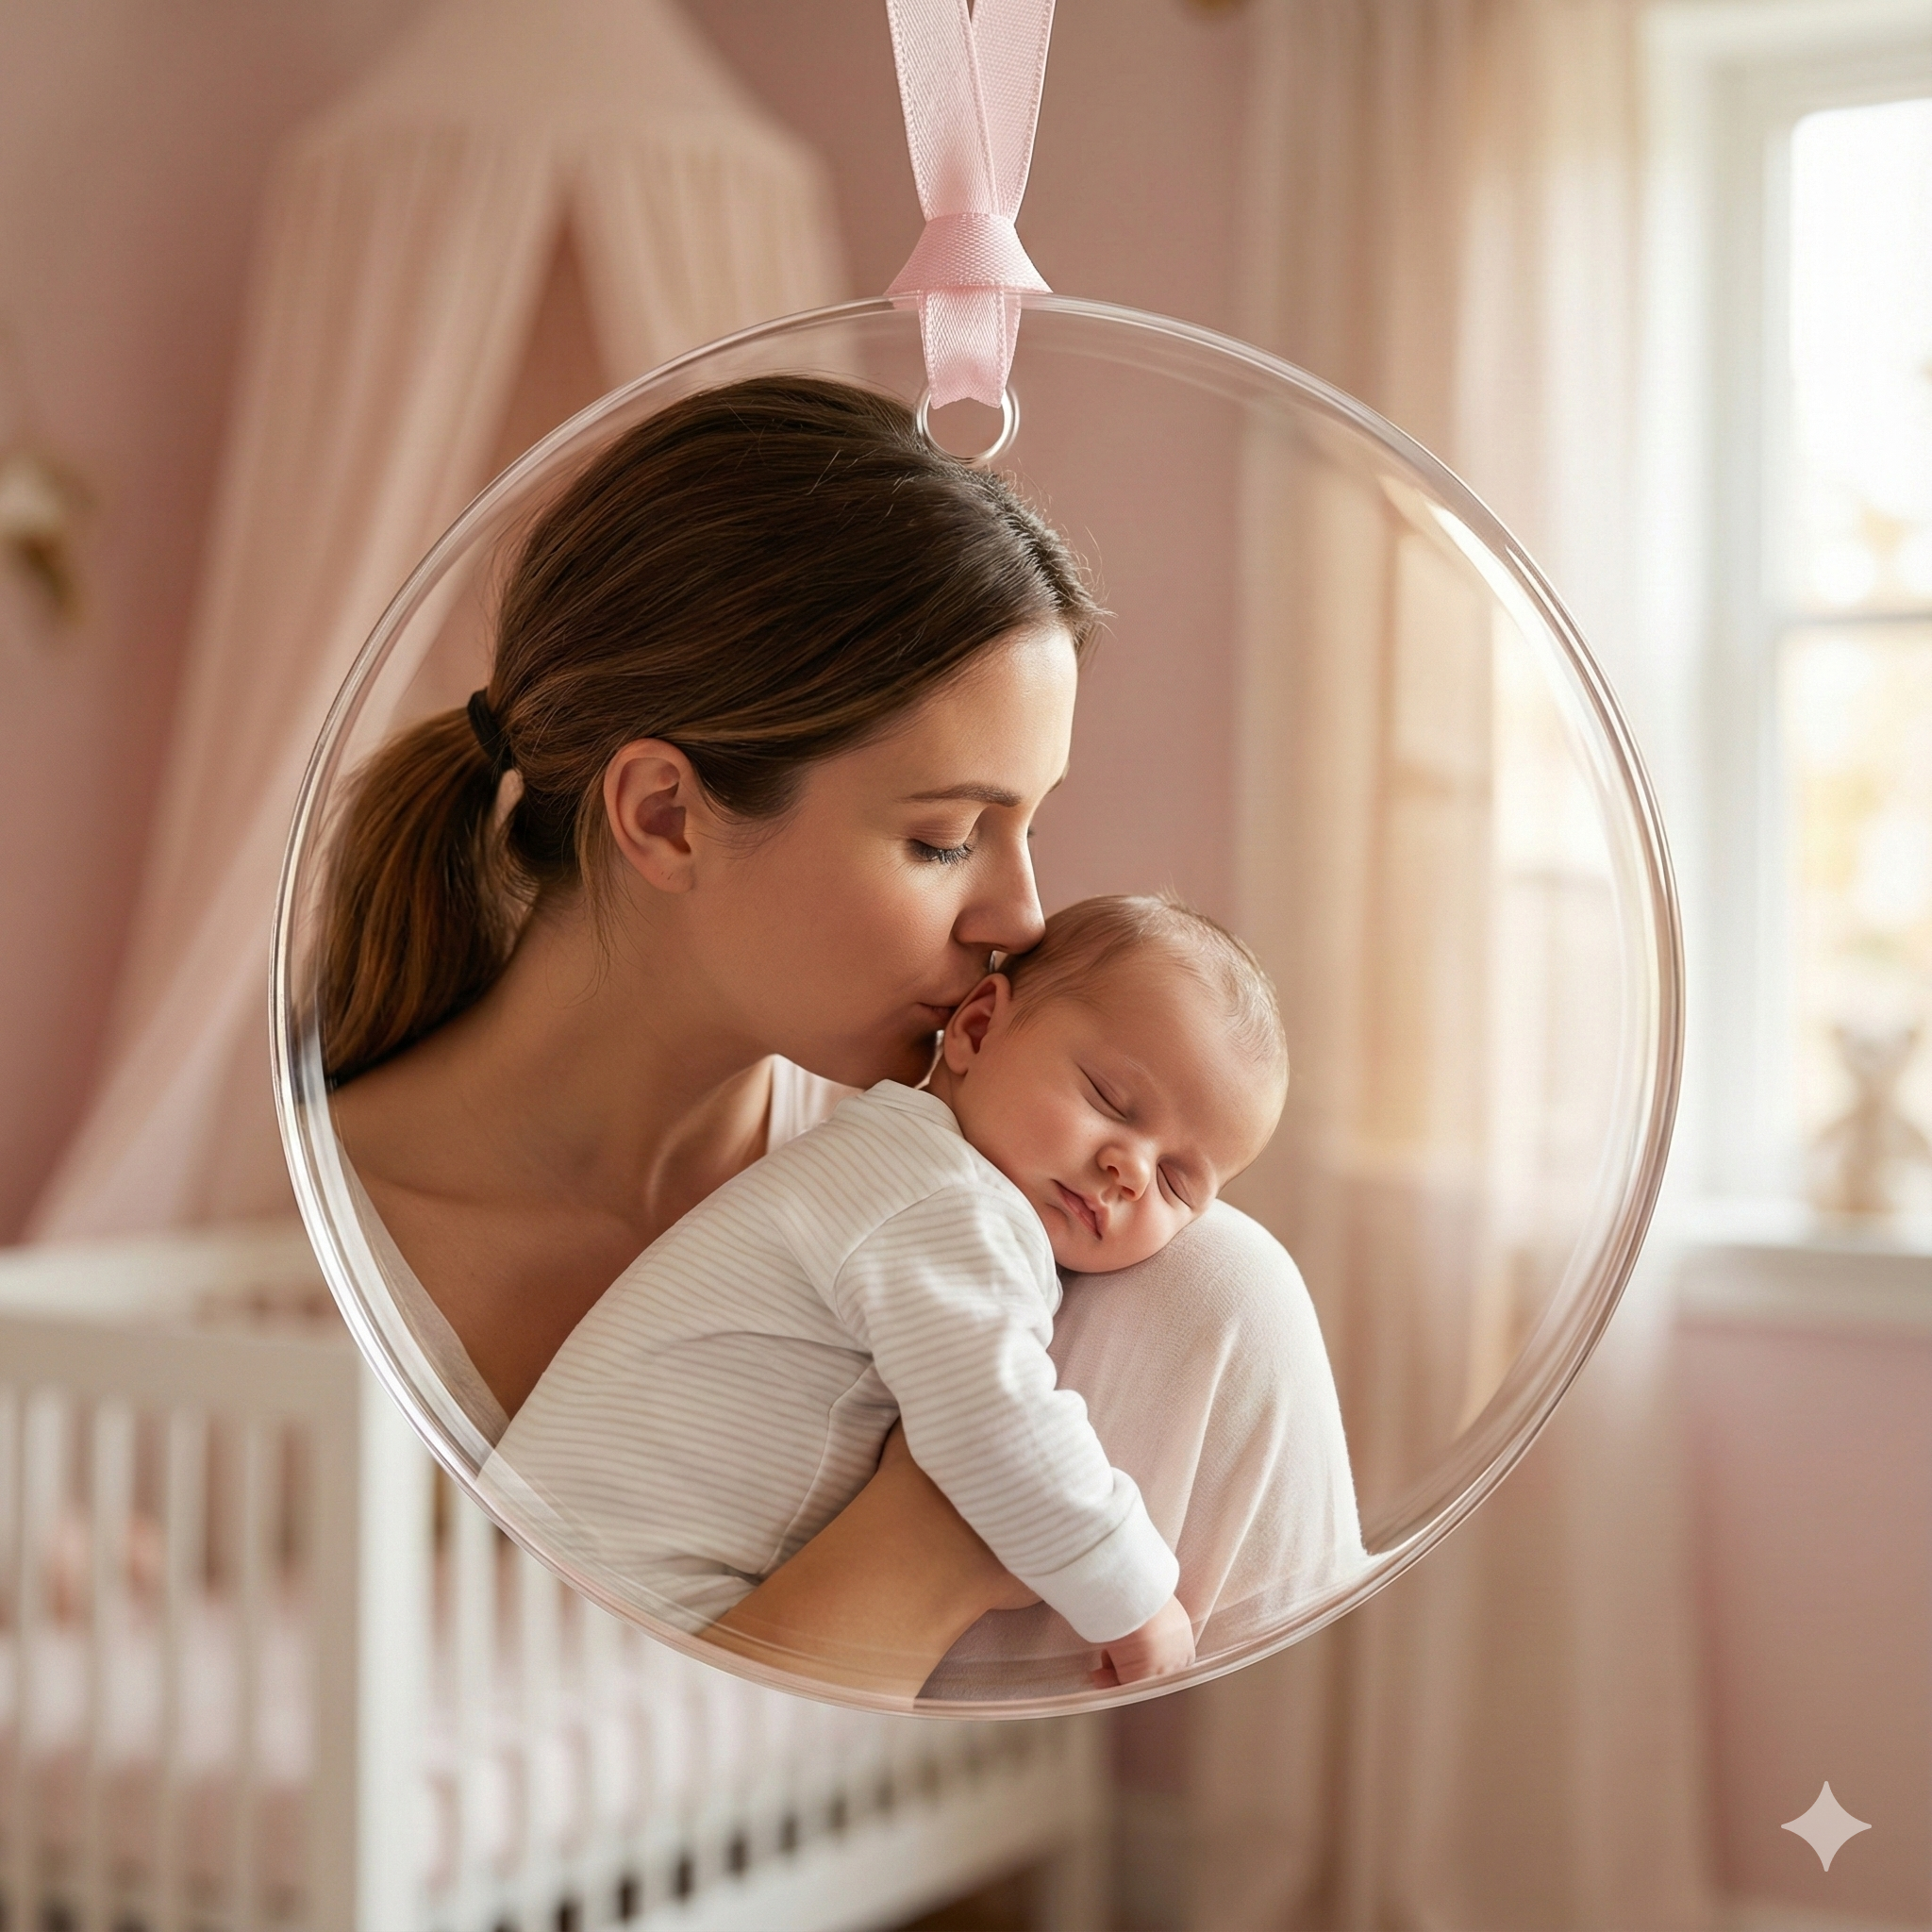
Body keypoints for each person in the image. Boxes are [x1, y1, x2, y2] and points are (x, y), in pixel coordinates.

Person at [325, 375, 1363, 1701]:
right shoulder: (305, 1255)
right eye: (944, 837)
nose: (1022, 914)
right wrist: (927, 1542)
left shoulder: (1123, 1266)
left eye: (1028, 825)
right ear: (665, 816)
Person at [489, 895, 1290, 1688]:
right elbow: (996, 1421)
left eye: (1180, 1184)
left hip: (548, 1576)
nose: (1132, 1170)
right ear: (977, 1030)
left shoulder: (896, 1160)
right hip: (593, 1599)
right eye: (1109, 1100)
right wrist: (1134, 1593)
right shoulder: (949, 1200)